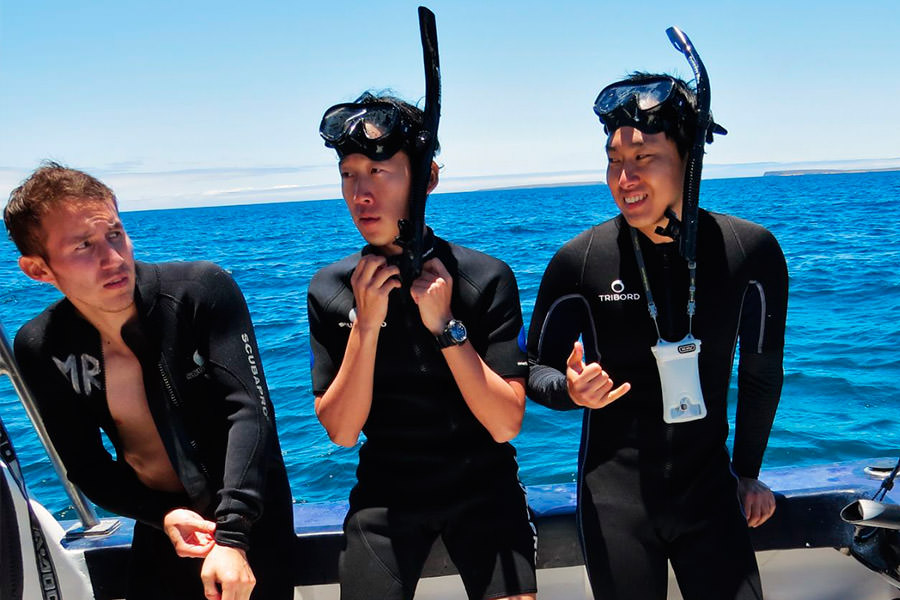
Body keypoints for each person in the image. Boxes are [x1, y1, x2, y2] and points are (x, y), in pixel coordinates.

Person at [526, 73, 788, 599]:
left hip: (710, 492)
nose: (625, 177)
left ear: (689, 161)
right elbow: (532, 368)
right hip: (615, 499)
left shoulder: (749, 252)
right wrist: (570, 391)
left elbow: (760, 373)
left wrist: (749, 472)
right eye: (614, 160)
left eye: (643, 158)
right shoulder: (581, 260)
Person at [4, 163, 295, 600]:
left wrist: (233, 535)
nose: (114, 259)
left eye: (115, 234)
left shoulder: (200, 290)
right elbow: (85, 464)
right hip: (163, 521)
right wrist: (162, 516)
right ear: (38, 269)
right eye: (84, 246)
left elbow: (249, 412)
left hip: (250, 517)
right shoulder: (42, 345)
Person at [307, 92, 537, 600]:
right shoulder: (330, 290)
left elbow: (505, 424)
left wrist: (447, 326)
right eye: (349, 174)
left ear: (427, 178)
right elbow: (343, 433)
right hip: (387, 493)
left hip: (483, 484)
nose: (360, 193)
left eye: (379, 171)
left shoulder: (483, 278)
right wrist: (365, 327)